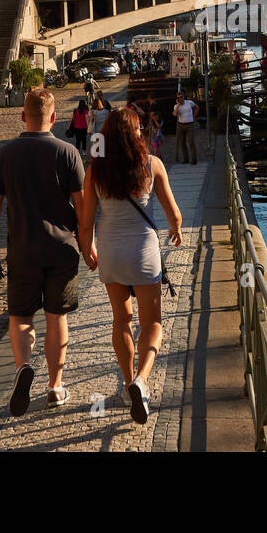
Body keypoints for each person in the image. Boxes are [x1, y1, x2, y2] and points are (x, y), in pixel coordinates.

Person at [77, 107, 182, 424]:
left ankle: (126, 385)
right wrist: (175, 229)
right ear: (137, 134)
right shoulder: (152, 165)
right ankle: (142, 380)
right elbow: (173, 214)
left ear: (105, 136)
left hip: (110, 250)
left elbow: (85, 222)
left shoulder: (95, 171)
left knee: (121, 319)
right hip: (143, 251)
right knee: (152, 323)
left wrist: (88, 249)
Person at [0, 87, 85, 414]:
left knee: (21, 317)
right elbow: (83, 209)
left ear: (23, 116)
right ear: (53, 118)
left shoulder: (3, 156)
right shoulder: (68, 153)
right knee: (57, 318)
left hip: (23, 249)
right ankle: (55, 387)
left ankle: (23, 368)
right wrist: (89, 244)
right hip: (62, 250)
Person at [173, 91, 199, 164]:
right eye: (178, 97)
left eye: (181, 97)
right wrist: (178, 105)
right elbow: (174, 114)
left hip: (190, 124)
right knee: (182, 143)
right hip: (181, 125)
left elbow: (196, 107)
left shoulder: (189, 102)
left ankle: (194, 159)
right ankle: (186, 159)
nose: (180, 98)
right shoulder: (176, 106)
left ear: (184, 97)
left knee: (191, 142)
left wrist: (194, 117)